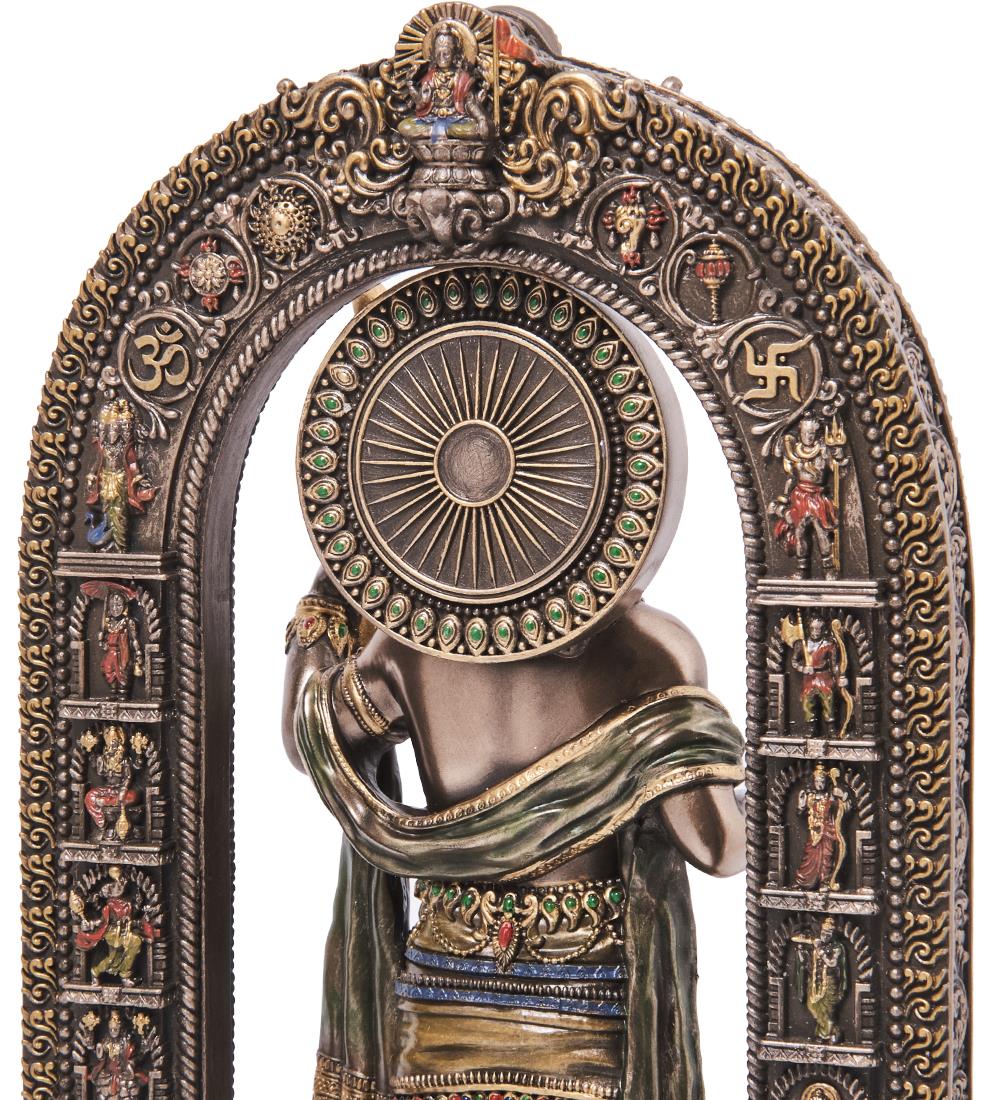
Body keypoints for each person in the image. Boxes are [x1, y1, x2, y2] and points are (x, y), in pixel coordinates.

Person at [398, 25, 490, 142]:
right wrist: (411, 85)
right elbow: (420, 104)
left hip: (457, 121)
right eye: (438, 53)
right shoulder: (429, 78)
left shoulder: (462, 79)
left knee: (475, 128)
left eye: (446, 53)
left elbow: (470, 103)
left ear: (455, 54)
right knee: (405, 126)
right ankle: (441, 132)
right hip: (431, 120)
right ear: (433, 54)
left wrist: (481, 119)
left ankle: (438, 133)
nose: (441, 57)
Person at [794, 764, 851, 891]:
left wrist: (843, 796)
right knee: (809, 857)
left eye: (822, 782)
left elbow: (845, 808)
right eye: (817, 782)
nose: (820, 784)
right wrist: (801, 805)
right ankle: (804, 881)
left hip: (827, 831)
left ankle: (825, 882)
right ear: (813, 782)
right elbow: (800, 814)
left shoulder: (830, 796)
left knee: (826, 857)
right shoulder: (810, 797)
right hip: (814, 832)